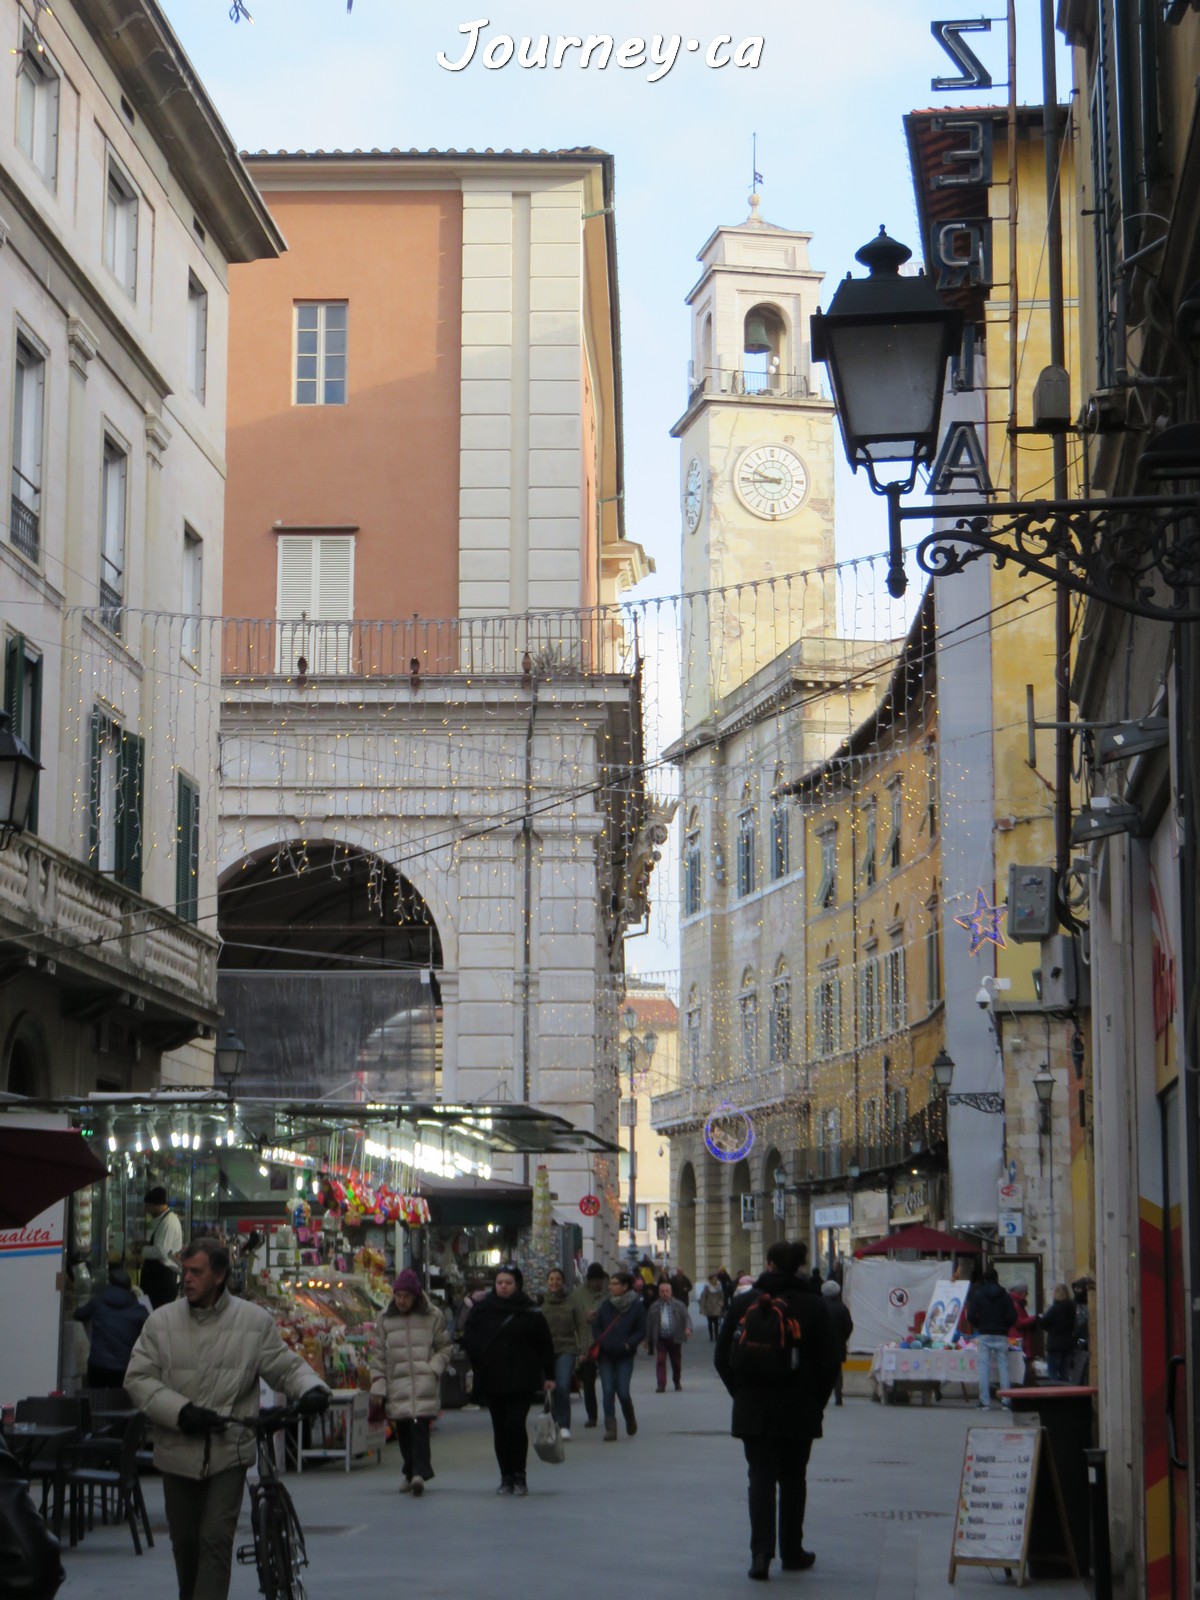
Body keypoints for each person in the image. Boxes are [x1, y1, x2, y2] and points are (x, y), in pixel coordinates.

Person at [124, 1235, 329, 1600]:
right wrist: (181, 1411)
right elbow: (138, 1379)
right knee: (185, 1543)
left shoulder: (252, 1321)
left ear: (219, 1276)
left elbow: (283, 1366)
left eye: (196, 1271)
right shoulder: (161, 1322)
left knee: (216, 1539)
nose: (187, 1278)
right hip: (177, 1450)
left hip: (229, 1449)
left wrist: (311, 1388)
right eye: (185, 1271)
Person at [715, 1240, 839, 1581]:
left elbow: (722, 1357)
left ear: (768, 1264)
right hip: (799, 1409)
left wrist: (740, 1393)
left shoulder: (743, 1303)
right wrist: (817, 1401)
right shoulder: (814, 1307)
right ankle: (792, 1550)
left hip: (753, 1409)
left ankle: (760, 1554)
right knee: (793, 1479)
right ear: (798, 1266)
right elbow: (831, 1361)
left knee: (760, 1478)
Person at [460, 1266, 555, 1495]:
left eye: (508, 1283)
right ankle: (506, 1477)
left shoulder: (530, 1310)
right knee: (500, 1428)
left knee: (515, 1424)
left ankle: (519, 1475)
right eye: (500, 1282)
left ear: (517, 1285)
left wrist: (549, 1375)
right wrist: (479, 1360)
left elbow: (545, 1343)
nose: (503, 1286)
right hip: (493, 1378)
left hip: (522, 1377)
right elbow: (469, 1338)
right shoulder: (483, 1309)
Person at [369, 1268, 451, 1496]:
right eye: (398, 1295)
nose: (401, 1300)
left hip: (422, 1381)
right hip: (397, 1381)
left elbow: (445, 1347)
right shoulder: (385, 1318)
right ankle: (409, 1471)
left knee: (419, 1427)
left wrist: (433, 1368)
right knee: (404, 1428)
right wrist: (378, 1383)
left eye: (406, 1296)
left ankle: (419, 1474)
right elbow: (378, 1355)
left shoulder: (432, 1316)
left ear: (415, 1296)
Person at [593, 1268, 647, 1441]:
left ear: (625, 1287)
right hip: (606, 1355)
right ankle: (611, 1428)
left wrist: (628, 1344)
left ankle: (629, 1416)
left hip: (624, 1354)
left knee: (623, 1391)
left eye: (615, 1284)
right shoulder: (605, 1304)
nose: (610, 1287)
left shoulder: (636, 1306)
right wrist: (600, 1341)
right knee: (608, 1390)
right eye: (610, 1284)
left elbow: (641, 1330)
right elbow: (597, 1326)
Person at [74, 1266, 149, 1389]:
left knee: (96, 1402)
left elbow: (79, 1314)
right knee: (119, 1405)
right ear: (129, 1287)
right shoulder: (139, 1310)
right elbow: (150, 1335)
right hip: (124, 1368)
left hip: (97, 1365)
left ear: (109, 1284)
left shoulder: (97, 1302)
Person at [541, 1267, 590, 1438]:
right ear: (547, 1282)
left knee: (562, 1385)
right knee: (550, 1389)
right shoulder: (541, 1302)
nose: (554, 1282)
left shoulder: (572, 1301)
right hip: (545, 1351)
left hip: (567, 1348)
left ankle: (563, 1424)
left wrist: (583, 1348)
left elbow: (582, 1325)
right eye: (551, 1279)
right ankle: (551, 1422)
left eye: (558, 1279)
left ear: (563, 1282)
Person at [965, 1264, 1018, 1409]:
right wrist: (1005, 1326)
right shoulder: (1005, 1296)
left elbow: (970, 1315)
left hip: (985, 1334)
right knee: (1003, 1367)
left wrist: (980, 1324)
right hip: (1001, 1334)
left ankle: (984, 1401)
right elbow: (1013, 1315)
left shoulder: (979, 1295)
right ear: (997, 1279)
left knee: (983, 1367)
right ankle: (1006, 1400)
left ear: (984, 1280)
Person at [572, 1263, 608, 1427]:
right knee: (588, 1382)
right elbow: (574, 1319)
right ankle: (592, 1415)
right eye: (593, 1280)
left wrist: (598, 1316)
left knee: (609, 1383)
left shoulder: (608, 1294)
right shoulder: (578, 1295)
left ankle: (610, 1414)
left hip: (606, 1344)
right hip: (587, 1344)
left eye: (599, 1280)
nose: (596, 1284)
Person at [138, 1187, 182, 1309]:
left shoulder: (168, 1222)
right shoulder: (163, 1220)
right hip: (157, 1280)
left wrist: (141, 1250)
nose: (146, 1210)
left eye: (147, 1206)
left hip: (162, 1281)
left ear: (154, 1205)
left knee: (160, 1316)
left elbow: (162, 1251)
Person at [646, 1279, 691, 1392]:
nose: (664, 1293)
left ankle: (677, 1381)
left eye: (666, 1291)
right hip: (661, 1339)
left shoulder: (679, 1305)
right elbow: (649, 1324)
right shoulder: (654, 1306)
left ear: (670, 1292)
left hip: (675, 1338)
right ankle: (661, 1384)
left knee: (676, 1362)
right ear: (659, 1292)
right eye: (662, 1291)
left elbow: (687, 1318)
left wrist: (687, 1328)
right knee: (660, 1361)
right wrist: (646, 1339)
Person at [821, 1279, 853, 1406]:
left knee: (821, 1370)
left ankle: (822, 1395)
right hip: (838, 1344)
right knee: (837, 1371)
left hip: (822, 1345)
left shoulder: (820, 1306)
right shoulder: (842, 1308)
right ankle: (838, 1396)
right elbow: (849, 1326)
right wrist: (842, 1338)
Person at [1039, 1284, 1076, 1382]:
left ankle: (1055, 1394)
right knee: (1064, 1372)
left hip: (1055, 1343)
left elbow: (1043, 1322)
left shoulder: (1055, 1308)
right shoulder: (1072, 1307)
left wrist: (1049, 1327)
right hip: (1068, 1342)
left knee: (1053, 1372)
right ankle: (1066, 1394)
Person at [1009, 1281, 1038, 1364]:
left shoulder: (1015, 1303)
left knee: (1017, 1364)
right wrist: (1035, 1318)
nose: (1027, 1294)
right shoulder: (1015, 1305)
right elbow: (1019, 1322)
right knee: (1018, 1365)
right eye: (1025, 1292)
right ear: (1020, 1293)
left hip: (1015, 1338)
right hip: (1017, 1339)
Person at [700, 1273, 725, 1342]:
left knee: (716, 1322)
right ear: (710, 1280)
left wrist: (720, 1304)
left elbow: (722, 1297)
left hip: (717, 1306)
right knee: (710, 1322)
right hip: (709, 1307)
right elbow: (703, 1298)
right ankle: (711, 1336)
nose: (715, 1280)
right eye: (714, 1279)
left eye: (716, 1279)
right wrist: (702, 1307)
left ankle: (716, 1335)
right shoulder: (706, 1288)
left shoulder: (719, 1287)